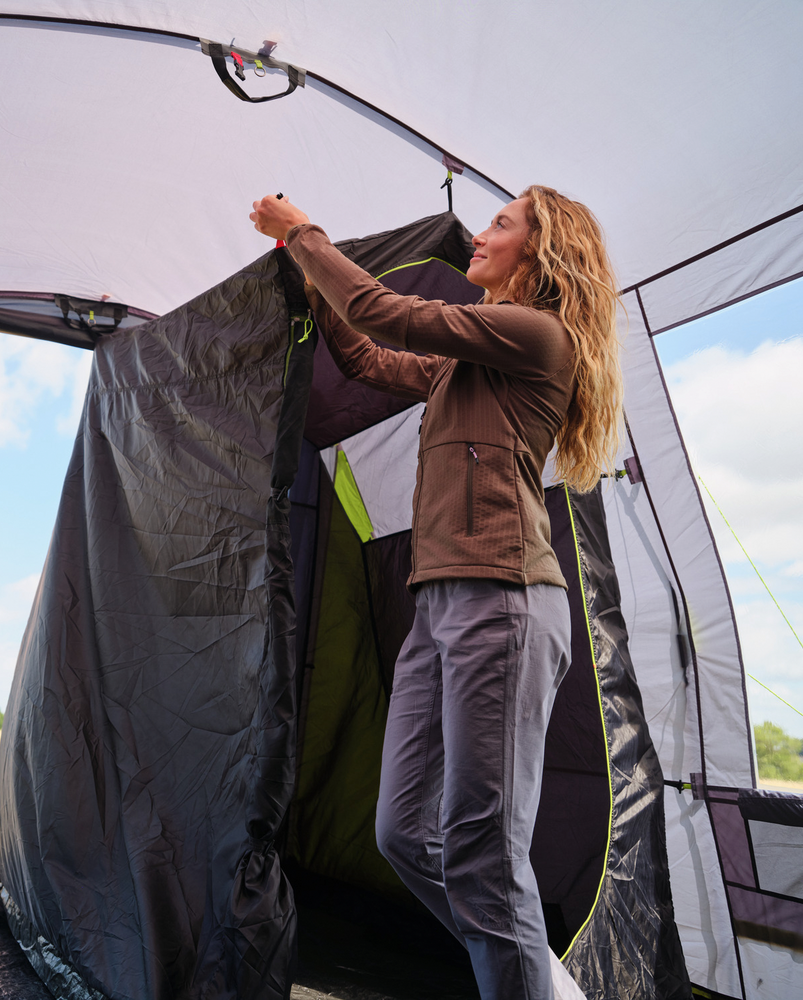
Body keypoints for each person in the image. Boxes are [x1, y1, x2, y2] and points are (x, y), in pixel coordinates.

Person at [250, 189, 623, 1000]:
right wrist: (314, 287)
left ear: (541, 251)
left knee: (483, 848)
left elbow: (393, 315)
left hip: (506, 602)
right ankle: (535, 974)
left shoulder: (534, 334)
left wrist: (304, 233)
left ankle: (522, 976)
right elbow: (373, 357)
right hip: (435, 607)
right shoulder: (471, 360)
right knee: (403, 833)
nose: (480, 238)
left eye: (500, 224)